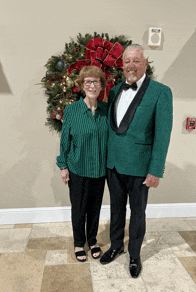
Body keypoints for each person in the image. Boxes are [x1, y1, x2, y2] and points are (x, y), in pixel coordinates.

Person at [100, 44, 173, 278]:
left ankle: (134, 255)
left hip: (141, 167)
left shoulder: (161, 92)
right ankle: (115, 246)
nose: (131, 65)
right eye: (127, 61)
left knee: (138, 212)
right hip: (114, 165)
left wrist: (155, 170)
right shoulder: (113, 91)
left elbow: (163, 135)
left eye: (136, 60)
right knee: (116, 208)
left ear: (145, 62)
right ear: (122, 65)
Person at [56, 66, 108, 262]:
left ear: (101, 86)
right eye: (88, 82)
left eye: (96, 82)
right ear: (81, 85)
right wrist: (63, 166)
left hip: (99, 170)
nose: (92, 85)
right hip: (77, 169)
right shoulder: (71, 110)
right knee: (79, 208)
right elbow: (64, 141)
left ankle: (92, 241)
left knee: (94, 208)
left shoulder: (106, 110)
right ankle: (79, 243)